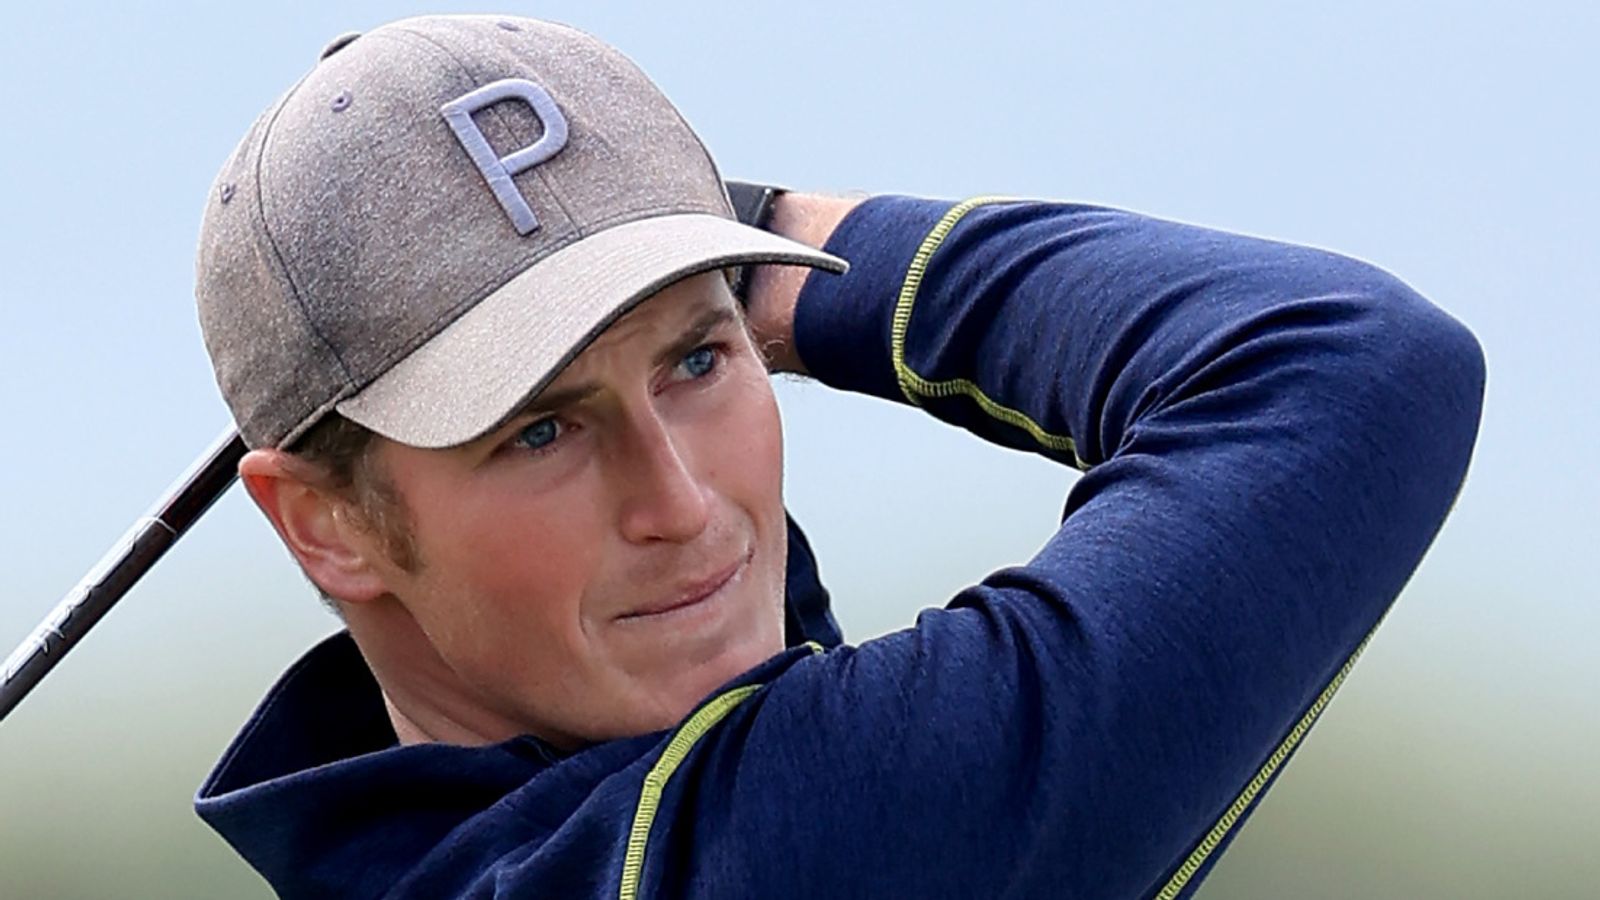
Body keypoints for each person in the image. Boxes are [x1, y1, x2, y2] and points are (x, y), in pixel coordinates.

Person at [190, 14, 1486, 900]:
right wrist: (770, 240)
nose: (681, 503)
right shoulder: (805, 845)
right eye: (540, 428)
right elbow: (1338, 363)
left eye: (698, 361)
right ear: (322, 524)